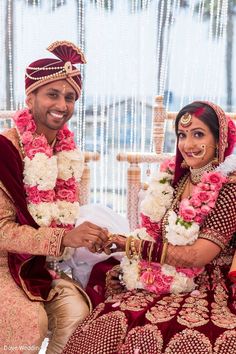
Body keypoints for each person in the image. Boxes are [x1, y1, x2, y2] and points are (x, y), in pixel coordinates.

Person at [63, 101, 236, 354]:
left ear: (219, 140)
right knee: (110, 318)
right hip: (163, 272)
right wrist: (124, 241)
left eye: (198, 134)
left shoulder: (228, 188)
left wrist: (131, 246)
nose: (188, 144)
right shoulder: (179, 180)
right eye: (182, 135)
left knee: (178, 338)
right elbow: (158, 235)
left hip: (208, 284)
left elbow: (199, 255)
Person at [0, 40, 109, 354]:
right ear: (30, 96)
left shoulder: (65, 152)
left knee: (77, 310)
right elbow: (3, 231)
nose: (62, 105)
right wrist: (64, 238)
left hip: (36, 267)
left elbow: (60, 218)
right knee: (30, 320)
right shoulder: (5, 151)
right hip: (3, 265)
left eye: (70, 97)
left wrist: (87, 239)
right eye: (52, 94)